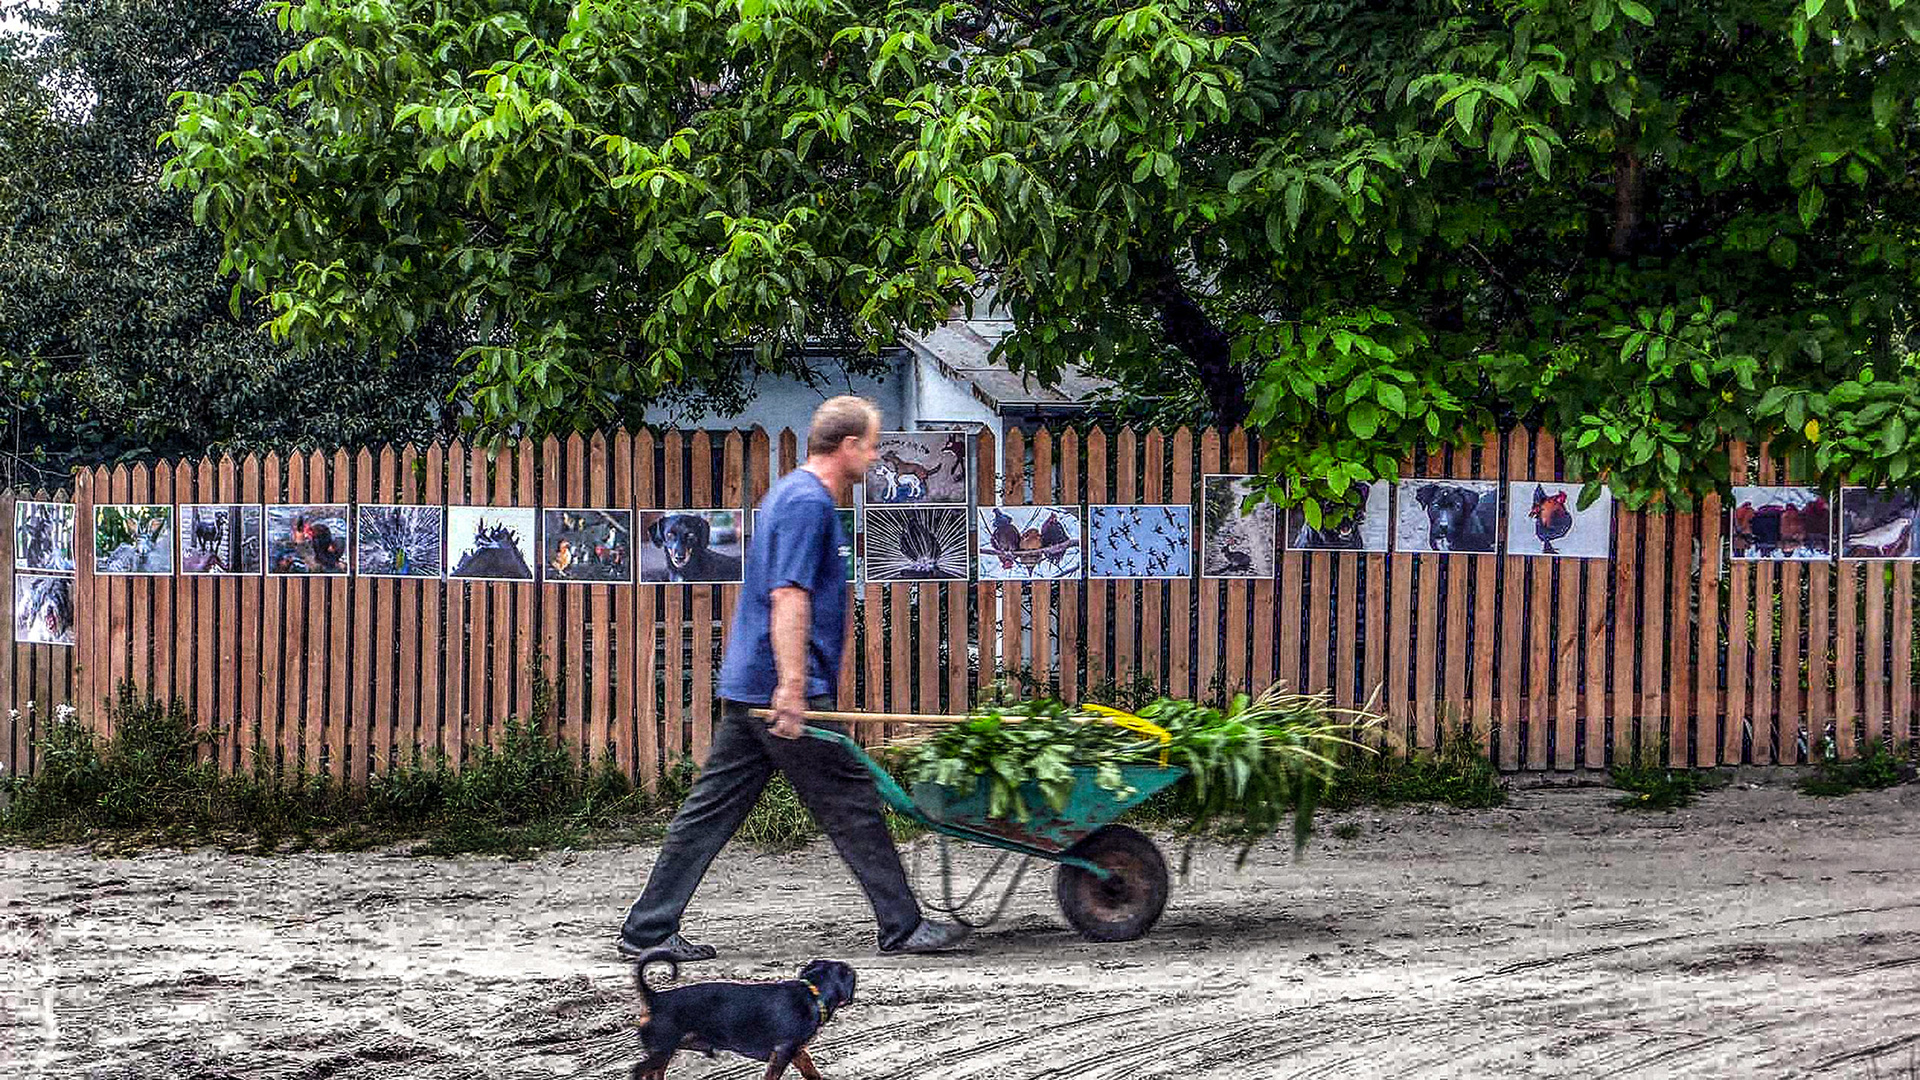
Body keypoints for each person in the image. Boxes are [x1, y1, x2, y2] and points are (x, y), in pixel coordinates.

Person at [617, 396, 972, 961]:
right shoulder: (807, 502)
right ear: (847, 446)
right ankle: (902, 925)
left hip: (754, 684)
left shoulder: (790, 494)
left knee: (711, 810)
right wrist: (792, 686)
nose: (874, 457)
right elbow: (788, 596)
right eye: (871, 446)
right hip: (778, 688)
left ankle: (647, 930)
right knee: (851, 801)